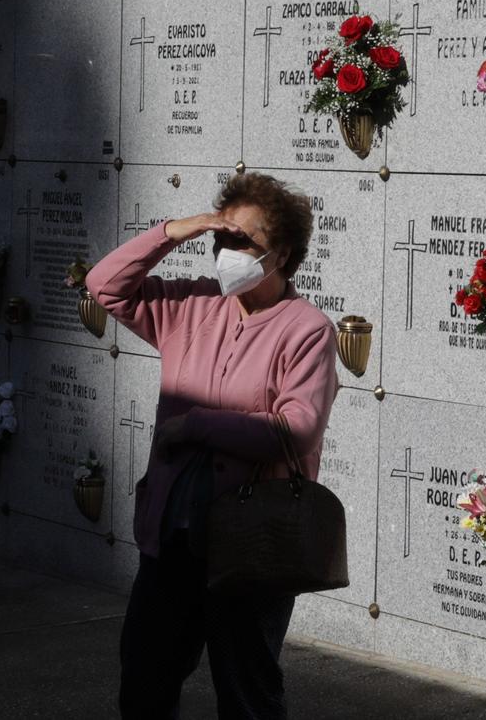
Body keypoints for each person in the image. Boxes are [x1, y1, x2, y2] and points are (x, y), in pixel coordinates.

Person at [90, 171, 338, 720]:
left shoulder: (308, 330)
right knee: (145, 682)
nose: (225, 250)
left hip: (253, 546)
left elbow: (295, 429)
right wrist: (176, 230)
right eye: (219, 238)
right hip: (173, 536)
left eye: (241, 240)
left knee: (246, 694)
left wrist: (199, 424)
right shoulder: (192, 305)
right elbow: (105, 285)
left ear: (282, 253)